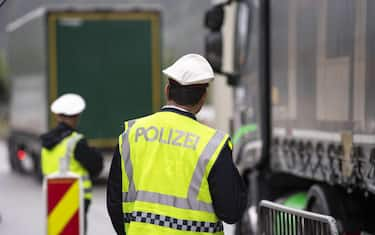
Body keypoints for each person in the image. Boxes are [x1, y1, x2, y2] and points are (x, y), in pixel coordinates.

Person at [107, 54, 248, 235]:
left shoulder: (131, 134)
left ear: (167, 91)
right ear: (203, 98)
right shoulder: (213, 145)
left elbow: (114, 203)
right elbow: (231, 211)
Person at [40, 93, 103, 233]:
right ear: (76, 117)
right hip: (76, 197)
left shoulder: (46, 143)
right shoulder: (75, 141)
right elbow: (96, 165)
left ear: (57, 116)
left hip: (52, 197)